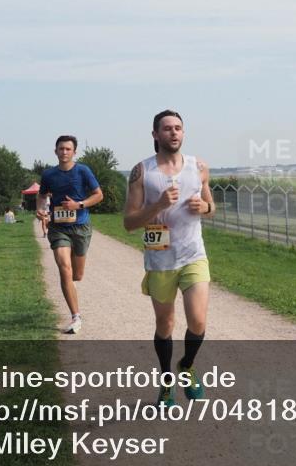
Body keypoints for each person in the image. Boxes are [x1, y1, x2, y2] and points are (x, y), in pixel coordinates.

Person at [124, 110, 214, 407]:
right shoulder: (142, 172)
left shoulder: (198, 167)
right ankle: (166, 383)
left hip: (193, 254)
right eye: (167, 129)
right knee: (165, 324)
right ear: (155, 135)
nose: (173, 133)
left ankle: (186, 366)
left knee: (198, 320)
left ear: (183, 133)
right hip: (160, 256)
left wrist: (205, 207)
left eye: (178, 128)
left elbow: (211, 205)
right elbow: (129, 222)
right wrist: (159, 205)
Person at [37, 135, 103, 334]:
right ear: (55, 151)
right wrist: (40, 210)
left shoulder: (83, 170)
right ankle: (76, 316)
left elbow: (99, 195)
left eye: (68, 149)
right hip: (58, 227)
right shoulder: (49, 174)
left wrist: (79, 204)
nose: (64, 152)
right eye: (61, 149)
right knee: (64, 267)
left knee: (77, 275)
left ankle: (71, 288)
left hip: (80, 226)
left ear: (74, 152)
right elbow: (41, 195)